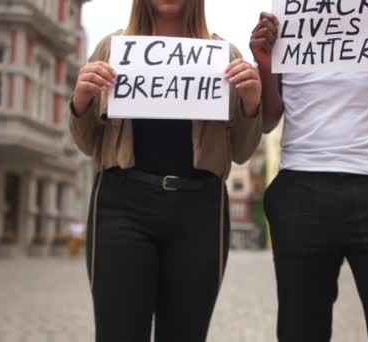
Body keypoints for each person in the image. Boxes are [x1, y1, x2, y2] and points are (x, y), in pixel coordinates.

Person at [251, 0, 368, 341]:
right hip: (301, 184)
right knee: (300, 331)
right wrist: (265, 67)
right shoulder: (286, 9)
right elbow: (268, 121)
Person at [68, 1, 263, 341]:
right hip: (121, 206)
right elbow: (86, 144)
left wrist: (251, 104)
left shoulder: (225, 56)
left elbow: (243, 152)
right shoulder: (111, 50)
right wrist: (80, 102)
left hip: (200, 211)